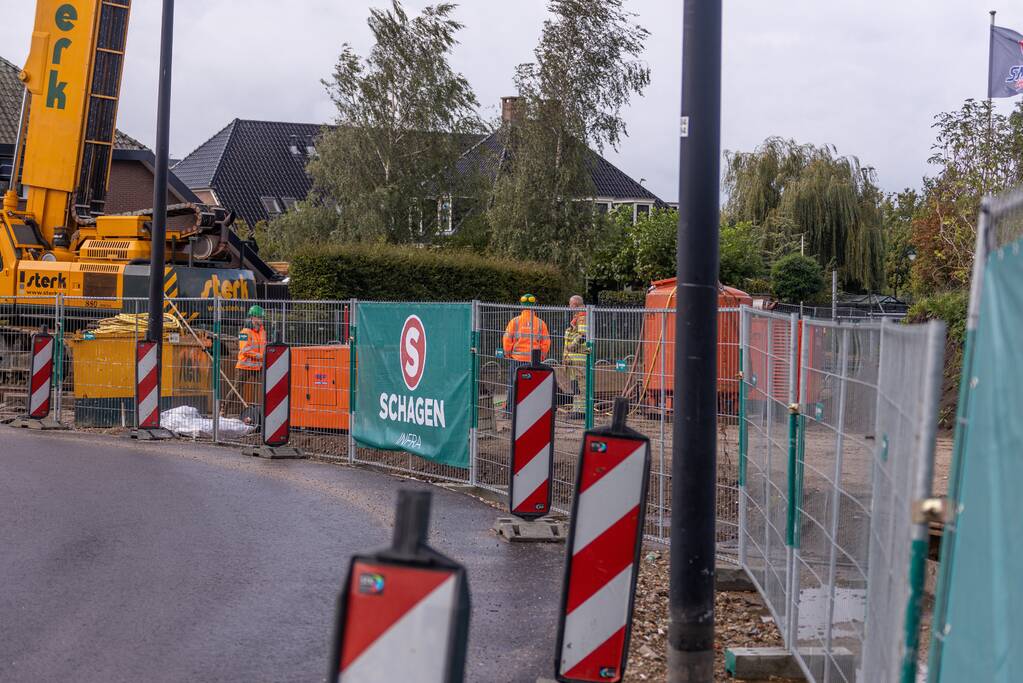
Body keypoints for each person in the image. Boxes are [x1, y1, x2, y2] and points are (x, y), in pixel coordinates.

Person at [501, 293, 551, 415]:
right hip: (534, 361)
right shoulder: (540, 323)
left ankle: (511, 411)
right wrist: (541, 357)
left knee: (514, 384)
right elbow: (546, 342)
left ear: (521, 306)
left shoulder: (515, 321)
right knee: (532, 386)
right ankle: (531, 412)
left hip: (516, 359)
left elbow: (507, 339)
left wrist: (508, 354)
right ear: (535, 305)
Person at [236, 304, 267, 419]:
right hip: (244, 367)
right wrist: (260, 356)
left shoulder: (262, 331)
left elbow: (264, 346)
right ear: (253, 318)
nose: (261, 320)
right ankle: (224, 408)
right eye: (260, 317)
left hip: (258, 367)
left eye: (262, 318)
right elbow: (245, 350)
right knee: (236, 389)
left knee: (266, 386)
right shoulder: (244, 332)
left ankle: (266, 410)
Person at [562, 295, 588, 420]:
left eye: (570, 304)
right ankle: (577, 409)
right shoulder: (577, 317)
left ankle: (582, 411)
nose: (569, 307)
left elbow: (583, 335)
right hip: (573, 360)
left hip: (579, 359)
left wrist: (572, 346)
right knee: (576, 386)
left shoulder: (583, 317)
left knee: (581, 386)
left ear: (575, 304)